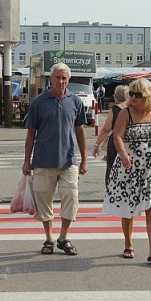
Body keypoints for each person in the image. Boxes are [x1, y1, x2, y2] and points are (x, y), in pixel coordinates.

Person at [22, 62, 88, 256]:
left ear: (69, 80)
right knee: (44, 201)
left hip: (68, 161)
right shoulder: (39, 102)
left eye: (64, 78)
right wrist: (27, 161)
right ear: (50, 79)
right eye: (57, 77)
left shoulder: (75, 101)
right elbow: (30, 133)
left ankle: (63, 237)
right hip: (43, 161)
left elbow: (80, 130)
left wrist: (84, 159)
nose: (61, 81)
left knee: (71, 197)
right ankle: (49, 238)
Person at [103, 78, 151, 263]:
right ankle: (128, 243)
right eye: (130, 94)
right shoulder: (126, 113)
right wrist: (123, 154)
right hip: (128, 168)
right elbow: (117, 136)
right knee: (128, 208)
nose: (132, 97)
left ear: (147, 95)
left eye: (137, 94)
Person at [92, 84, 129, 183]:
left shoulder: (115, 109)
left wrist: (97, 145)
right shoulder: (132, 108)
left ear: (116, 96)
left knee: (113, 165)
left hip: (116, 141)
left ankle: (112, 186)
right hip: (130, 141)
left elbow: (106, 129)